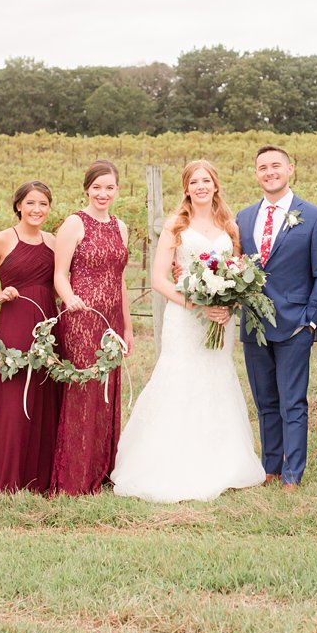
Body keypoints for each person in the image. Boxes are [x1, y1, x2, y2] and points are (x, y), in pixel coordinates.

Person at [111, 161, 264, 502]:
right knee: (181, 378)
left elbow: (236, 272)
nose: (200, 186)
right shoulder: (175, 226)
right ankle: (172, 461)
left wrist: (226, 304)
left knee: (216, 377)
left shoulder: (230, 225)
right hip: (185, 317)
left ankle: (222, 460)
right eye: (193, 181)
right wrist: (196, 304)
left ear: (215, 185)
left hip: (219, 320)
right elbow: (158, 279)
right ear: (186, 188)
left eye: (206, 180)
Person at [234, 145, 317, 489]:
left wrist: (312, 319)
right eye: (262, 167)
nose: (269, 172)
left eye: (275, 165)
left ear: (290, 169)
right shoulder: (244, 217)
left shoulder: (313, 215)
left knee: (293, 401)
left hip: (295, 324)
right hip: (254, 325)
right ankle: (270, 468)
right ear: (256, 174)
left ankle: (293, 473)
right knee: (265, 402)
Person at [0, 181, 61, 495]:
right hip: (15, 321)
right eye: (31, 203)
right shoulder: (2, 240)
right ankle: (7, 473)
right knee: (14, 395)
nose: (37, 210)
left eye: (43, 204)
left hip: (47, 322)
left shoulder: (54, 241)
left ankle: (40, 474)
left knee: (44, 393)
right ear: (18, 205)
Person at [50, 161, 134, 495]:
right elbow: (59, 274)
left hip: (111, 321)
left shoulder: (121, 226)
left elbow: (121, 281)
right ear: (87, 188)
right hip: (81, 318)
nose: (103, 193)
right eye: (97, 187)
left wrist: (127, 328)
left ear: (117, 190)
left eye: (109, 187)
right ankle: (75, 477)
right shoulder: (74, 223)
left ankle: (102, 470)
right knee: (84, 392)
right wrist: (70, 298)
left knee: (106, 393)